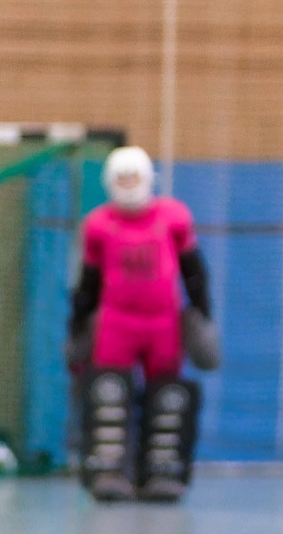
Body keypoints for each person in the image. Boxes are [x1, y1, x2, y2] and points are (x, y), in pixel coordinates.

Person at [69, 146, 212, 503]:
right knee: (108, 394)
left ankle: (162, 471)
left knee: (166, 396)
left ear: (148, 179)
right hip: (117, 322)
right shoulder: (98, 224)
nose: (129, 184)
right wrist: (78, 321)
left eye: (134, 177)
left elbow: (193, 270)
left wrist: (202, 312)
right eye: (122, 178)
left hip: (163, 323)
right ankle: (109, 470)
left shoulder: (174, 217)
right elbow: (89, 280)